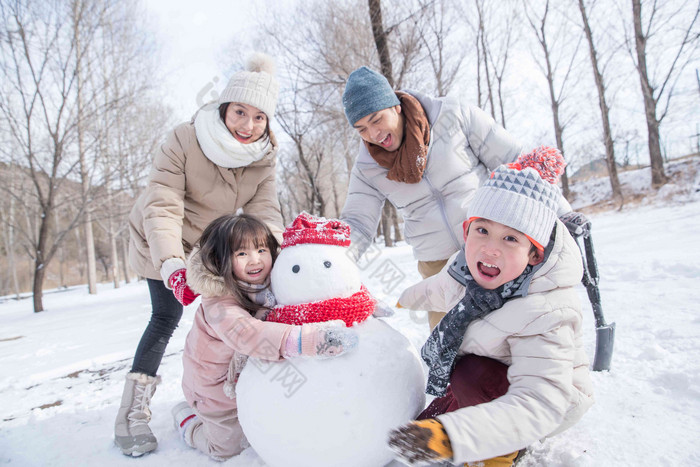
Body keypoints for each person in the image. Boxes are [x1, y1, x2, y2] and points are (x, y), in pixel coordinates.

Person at [114, 53, 285, 457]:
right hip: (161, 239)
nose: (248, 125)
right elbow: (163, 204)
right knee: (166, 316)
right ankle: (131, 413)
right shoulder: (185, 138)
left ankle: (219, 388)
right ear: (224, 107)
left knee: (245, 307)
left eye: (259, 117)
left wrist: (281, 258)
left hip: (211, 247)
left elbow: (266, 213)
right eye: (240, 112)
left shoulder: (263, 156)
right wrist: (172, 263)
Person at [387, 148, 594, 467]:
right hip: (494, 374)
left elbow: (540, 401)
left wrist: (453, 436)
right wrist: (399, 301)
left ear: (534, 255)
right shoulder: (465, 270)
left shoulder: (546, 310)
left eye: (511, 239)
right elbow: (437, 290)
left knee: (469, 379)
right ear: (466, 232)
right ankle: (477, 422)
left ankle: (503, 451)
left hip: (551, 398)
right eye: (482, 230)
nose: (491, 249)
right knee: (431, 416)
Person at [339, 66, 525, 331]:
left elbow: (516, 162)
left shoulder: (453, 114)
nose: (374, 134)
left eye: (376, 119)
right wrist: (333, 260)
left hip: (490, 245)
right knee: (450, 351)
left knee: (511, 332)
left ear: (395, 106)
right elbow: (357, 222)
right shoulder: (367, 167)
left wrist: (561, 214)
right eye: (362, 129)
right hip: (437, 265)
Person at [170, 214, 358, 461]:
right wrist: (309, 340)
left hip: (248, 376)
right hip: (215, 392)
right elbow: (249, 334)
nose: (255, 260)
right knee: (229, 448)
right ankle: (188, 421)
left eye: (261, 249)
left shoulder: (270, 280)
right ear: (220, 260)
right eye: (241, 254)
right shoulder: (217, 304)